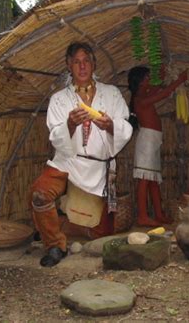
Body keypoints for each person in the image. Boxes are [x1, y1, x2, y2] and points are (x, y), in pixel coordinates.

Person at [30, 42, 133, 267]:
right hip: (67, 161)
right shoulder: (59, 99)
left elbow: (125, 125)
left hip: (98, 167)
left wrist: (110, 125)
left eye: (86, 61)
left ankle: (61, 224)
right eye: (76, 62)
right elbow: (55, 135)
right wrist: (69, 124)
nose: (82, 66)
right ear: (69, 65)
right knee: (40, 193)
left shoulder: (111, 93)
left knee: (102, 232)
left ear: (94, 64)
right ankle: (55, 245)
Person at [128, 66, 188, 227]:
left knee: (152, 179)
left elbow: (157, 89)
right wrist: (178, 82)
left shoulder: (143, 94)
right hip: (147, 141)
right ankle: (142, 215)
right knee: (144, 180)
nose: (150, 80)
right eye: (147, 78)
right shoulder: (140, 99)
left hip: (152, 140)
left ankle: (159, 214)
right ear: (140, 82)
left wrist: (161, 77)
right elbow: (163, 93)